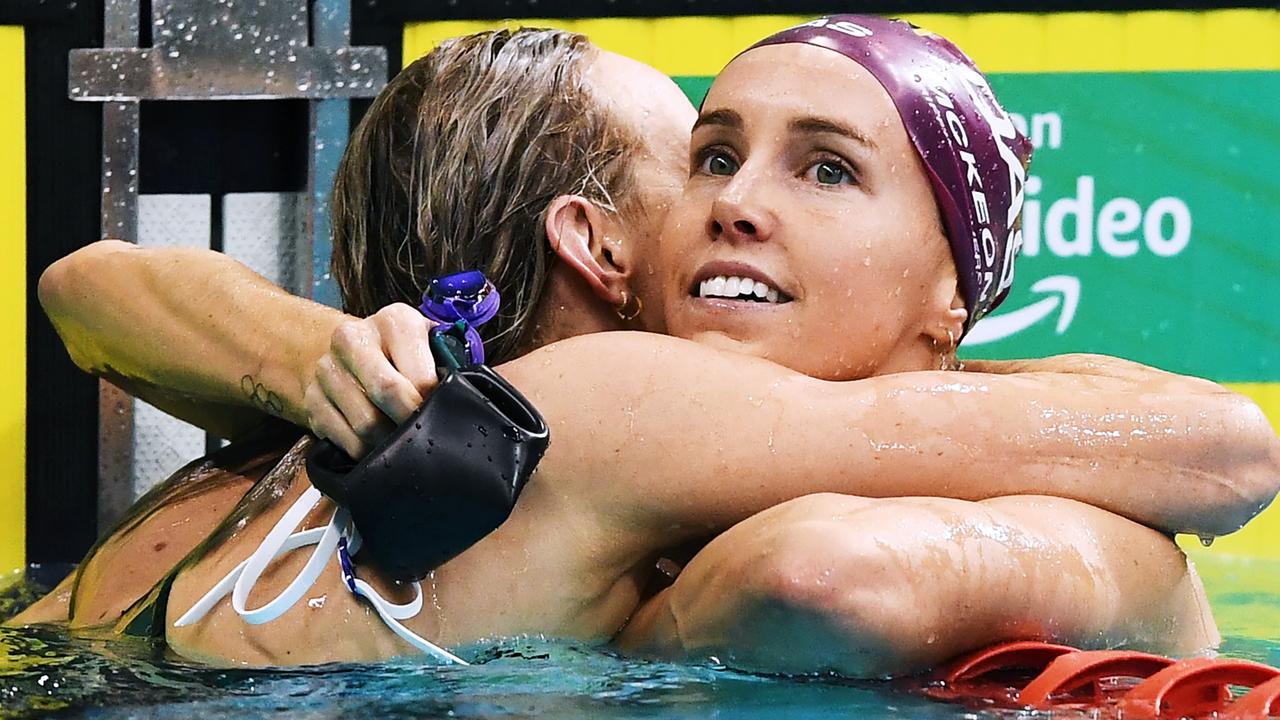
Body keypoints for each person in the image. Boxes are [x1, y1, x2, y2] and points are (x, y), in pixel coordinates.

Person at [16, 21, 1277, 674]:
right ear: (600, 247)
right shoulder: (622, 403)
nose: (736, 202)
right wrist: (1144, 584)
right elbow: (1223, 449)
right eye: (704, 155)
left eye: (819, 169)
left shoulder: (284, 447)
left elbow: (84, 286)